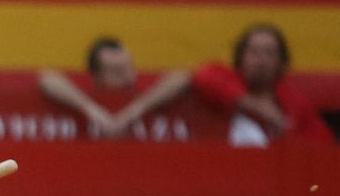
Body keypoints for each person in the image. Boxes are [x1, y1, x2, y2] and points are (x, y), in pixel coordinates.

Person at [192, 23, 331, 145]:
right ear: (241, 58)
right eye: (253, 52)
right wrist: (253, 104)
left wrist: (284, 132)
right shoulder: (227, 83)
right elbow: (205, 75)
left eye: (269, 53)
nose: (261, 60)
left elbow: (323, 149)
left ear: (281, 62)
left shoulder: (295, 103)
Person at [37, 37, 190, 139]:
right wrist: (91, 109)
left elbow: (181, 77)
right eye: (117, 71)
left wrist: (134, 110)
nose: (127, 77)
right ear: (97, 76)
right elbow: (48, 79)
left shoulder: (144, 88)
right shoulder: (84, 90)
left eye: (129, 67)